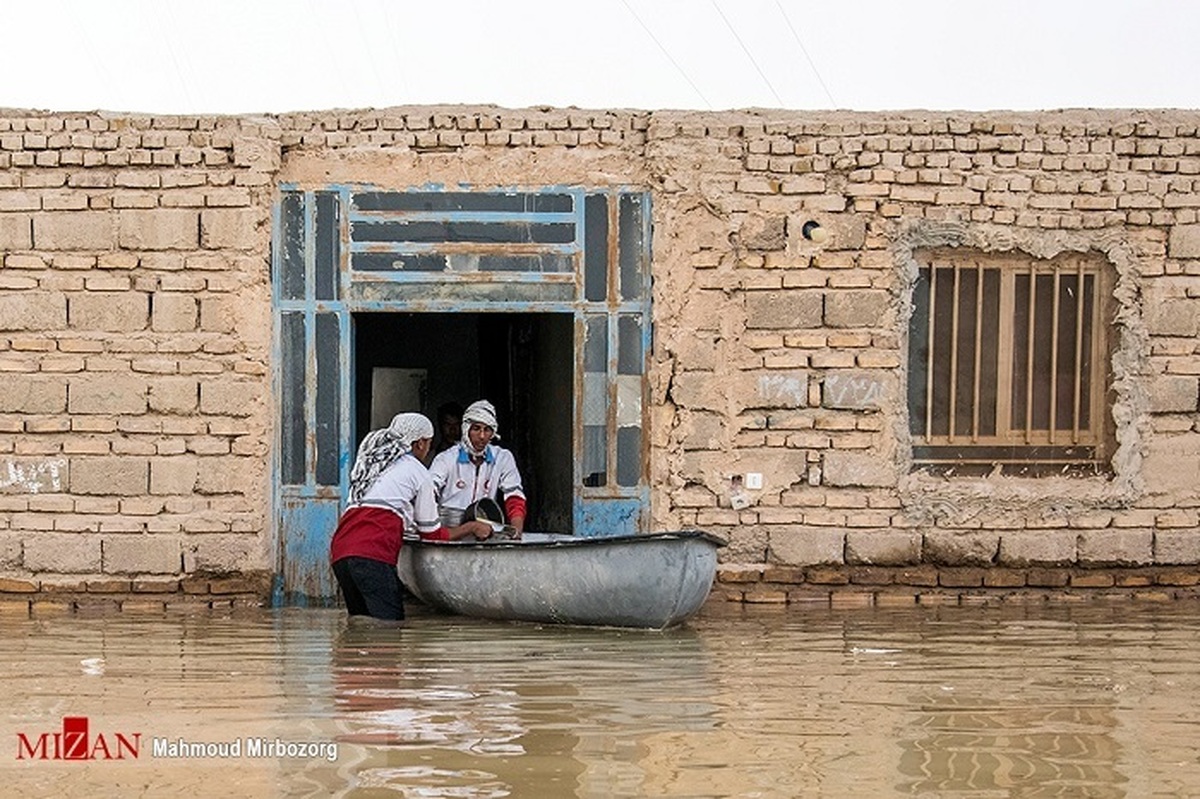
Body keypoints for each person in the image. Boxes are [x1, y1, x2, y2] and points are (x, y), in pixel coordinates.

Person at [329, 412, 495, 621]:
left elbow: (384, 509)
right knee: (390, 628)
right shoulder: (417, 471)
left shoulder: (371, 466)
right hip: (372, 553)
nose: (427, 449)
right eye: (428, 443)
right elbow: (432, 534)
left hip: (341, 551)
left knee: (361, 625)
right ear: (419, 443)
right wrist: (470, 527)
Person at [429, 399, 527, 536]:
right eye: (476, 429)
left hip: (483, 532)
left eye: (487, 430)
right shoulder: (446, 459)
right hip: (449, 532)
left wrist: (516, 531)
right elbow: (428, 493)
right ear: (466, 429)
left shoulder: (502, 457)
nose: (482, 436)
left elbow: (514, 496)